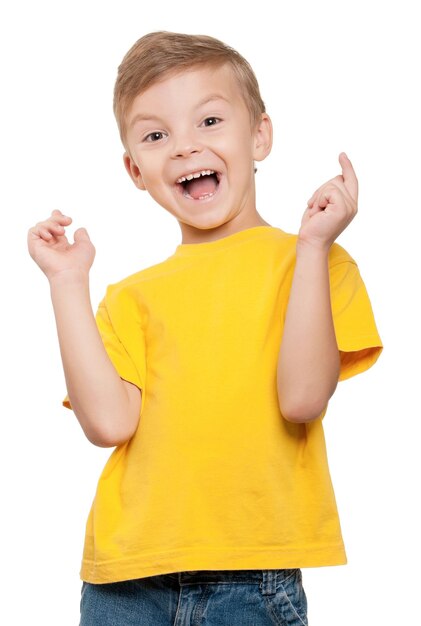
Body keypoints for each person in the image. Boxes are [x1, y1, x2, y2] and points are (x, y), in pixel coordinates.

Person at [27, 31, 383, 626]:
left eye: (210, 121)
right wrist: (66, 283)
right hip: (125, 581)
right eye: (157, 135)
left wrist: (316, 246)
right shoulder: (129, 296)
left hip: (253, 581)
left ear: (260, 135)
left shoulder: (313, 263)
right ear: (135, 169)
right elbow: (109, 424)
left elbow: (301, 401)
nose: (185, 148)